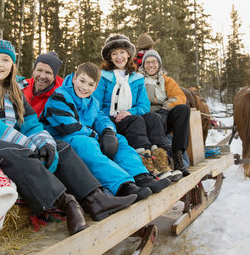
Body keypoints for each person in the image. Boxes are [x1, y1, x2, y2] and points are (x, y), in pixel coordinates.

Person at [0, 40, 136, 235]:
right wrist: (26, 143)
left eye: (5, 59)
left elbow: (31, 124)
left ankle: (95, 199)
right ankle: (65, 203)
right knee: (13, 151)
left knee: (60, 147)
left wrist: (45, 143)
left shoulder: (15, 90)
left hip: (7, 141)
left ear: (12, 64)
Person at [41, 62, 171, 201]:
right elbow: (68, 127)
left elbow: (101, 118)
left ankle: (140, 176)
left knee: (119, 140)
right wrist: (97, 136)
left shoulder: (93, 102)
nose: (85, 87)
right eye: (82, 81)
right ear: (74, 78)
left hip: (84, 136)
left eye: (90, 85)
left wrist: (109, 132)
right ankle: (122, 185)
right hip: (60, 139)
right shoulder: (60, 96)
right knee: (86, 144)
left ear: (96, 87)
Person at [92, 34, 172, 176]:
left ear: (129, 54)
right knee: (137, 120)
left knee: (153, 117)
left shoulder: (136, 78)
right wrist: (116, 116)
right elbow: (95, 106)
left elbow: (143, 106)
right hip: (110, 120)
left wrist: (129, 112)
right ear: (109, 57)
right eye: (114, 53)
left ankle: (162, 162)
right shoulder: (103, 77)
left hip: (131, 118)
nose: (119, 57)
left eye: (122, 52)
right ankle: (146, 165)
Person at [140, 50, 191, 177]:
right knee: (153, 117)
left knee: (183, 110)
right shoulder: (137, 80)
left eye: (154, 62)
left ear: (159, 64)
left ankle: (178, 156)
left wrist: (165, 108)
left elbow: (179, 97)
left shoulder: (166, 80)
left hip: (164, 116)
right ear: (143, 65)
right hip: (146, 117)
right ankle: (159, 160)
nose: (150, 65)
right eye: (147, 62)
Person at [23, 51, 64, 117]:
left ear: (54, 76)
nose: (42, 76)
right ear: (34, 71)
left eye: (48, 72)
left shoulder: (60, 96)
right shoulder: (23, 85)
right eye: (39, 70)